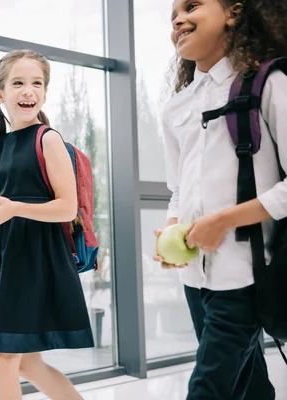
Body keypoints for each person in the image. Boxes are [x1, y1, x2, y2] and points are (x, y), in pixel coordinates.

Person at [154, 0, 287, 398]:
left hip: (247, 275)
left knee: (208, 388)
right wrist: (173, 224)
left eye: (192, 5)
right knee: (247, 387)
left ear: (233, 13)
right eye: (172, 15)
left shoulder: (269, 83)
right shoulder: (177, 106)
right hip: (194, 278)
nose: (178, 18)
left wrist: (224, 220)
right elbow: (178, 188)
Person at [0, 49, 94, 400]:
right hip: (7, 256)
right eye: (17, 83)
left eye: (36, 83)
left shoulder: (47, 139)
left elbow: (67, 209)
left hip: (38, 258)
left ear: (45, 93)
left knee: (4, 358)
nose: (28, 91)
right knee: (26, 364)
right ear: (0, 93)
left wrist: (13, 210)